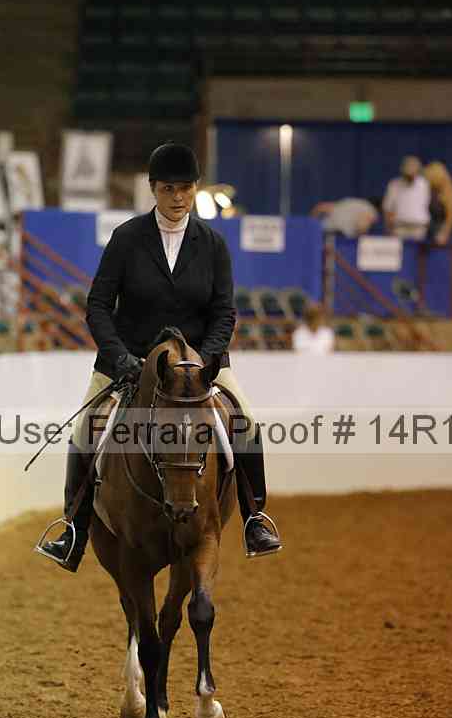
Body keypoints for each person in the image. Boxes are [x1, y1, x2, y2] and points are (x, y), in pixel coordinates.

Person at [40, 142, 282, 571]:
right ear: (153, 189)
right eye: (168, 188)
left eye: (185, 188)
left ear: (195, 189)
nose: (177, 197)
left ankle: (254, 519)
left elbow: (224, 312)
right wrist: (121, 359)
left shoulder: (212, 244)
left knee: (245, 421)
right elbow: (98, 305)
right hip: (130, 362)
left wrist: (204, 362)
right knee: (85, 428)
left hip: (198, 365)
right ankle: (72, 530)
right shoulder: (127, 238)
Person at [382, 156, 431, 240]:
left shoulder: (424, 184)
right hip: (399, 227)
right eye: (408, 173)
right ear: (403, 171)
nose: (410, 175)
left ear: (418, 171)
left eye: (413, 172)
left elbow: (426, 204)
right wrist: (388, 226)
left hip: (419, 227)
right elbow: (388, 207)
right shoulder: (394, 184)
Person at [423, 161, 452, 245]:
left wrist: (443, 234)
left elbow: (451, 217)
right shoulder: (435, 192)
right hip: (436, 234)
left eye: (430, 179)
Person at [310, 197, 381, 237]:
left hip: (337, 231)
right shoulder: (371, 209)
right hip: (342, 235)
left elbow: (320, 207)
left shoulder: (361, 206)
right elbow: (363, 225)